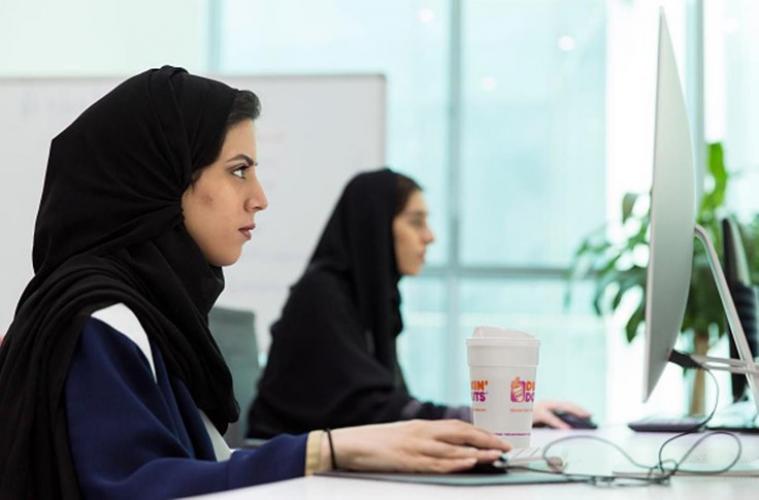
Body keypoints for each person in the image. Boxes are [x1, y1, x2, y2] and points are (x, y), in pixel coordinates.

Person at [0, 66, 510, 500]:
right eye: (238, 171)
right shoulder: (102, 318)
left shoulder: (150, 312)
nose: (260, 197)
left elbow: (202, 461)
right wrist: (329, 450)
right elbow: (136, 487)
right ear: (163, 181)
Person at [247, 169, 591, 438]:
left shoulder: (372, 301)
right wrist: (485, 419)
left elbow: (389, 408)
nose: (430, 236)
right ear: (375, 228)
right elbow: (370, 410)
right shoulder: (321, 293)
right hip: (288, 474)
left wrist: (495, 418)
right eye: (416, 221)